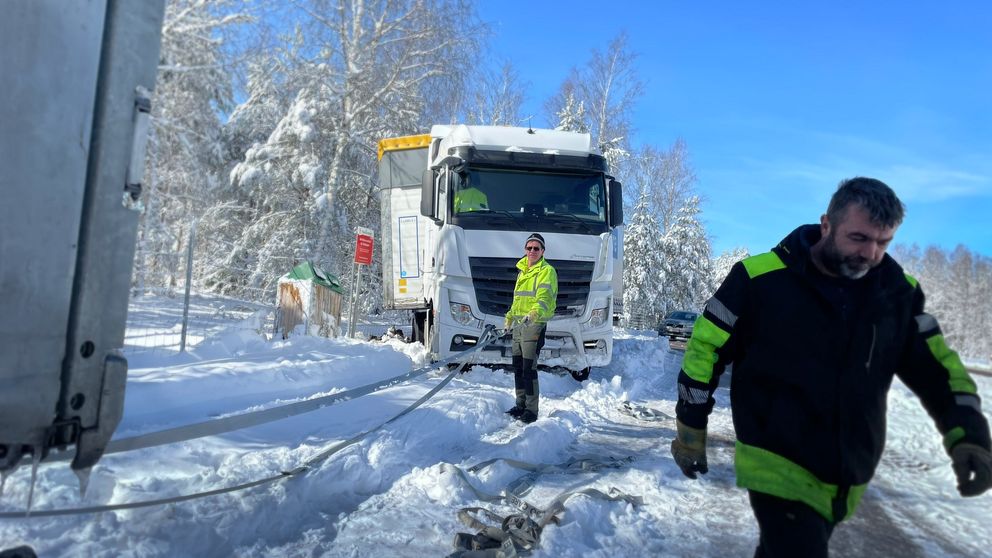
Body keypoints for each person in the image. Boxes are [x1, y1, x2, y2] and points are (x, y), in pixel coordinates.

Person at [670, 177, 992, 557]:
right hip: (776, 461)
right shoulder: (759, 280)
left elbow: (940, 369)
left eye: (882, 242)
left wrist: (969, 433)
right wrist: (691, 424)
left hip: (849, 471)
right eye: (858, 238)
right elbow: (706, 347)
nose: (871, 253)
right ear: (827, 225)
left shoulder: (897, 293)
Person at [504, 233, 558, 424]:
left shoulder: (547, 271)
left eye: (536, 248)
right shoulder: (522, 271)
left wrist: (534, 313)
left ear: (543, 251)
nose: (532, 251)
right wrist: (509, 317)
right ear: (525, 250)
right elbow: (517, 299)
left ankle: (531, 410)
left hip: (534, 324)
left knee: (528, 367)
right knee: (517, 366)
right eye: (529, 248)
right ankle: (520, 405)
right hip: (519, 324)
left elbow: (544, 297)